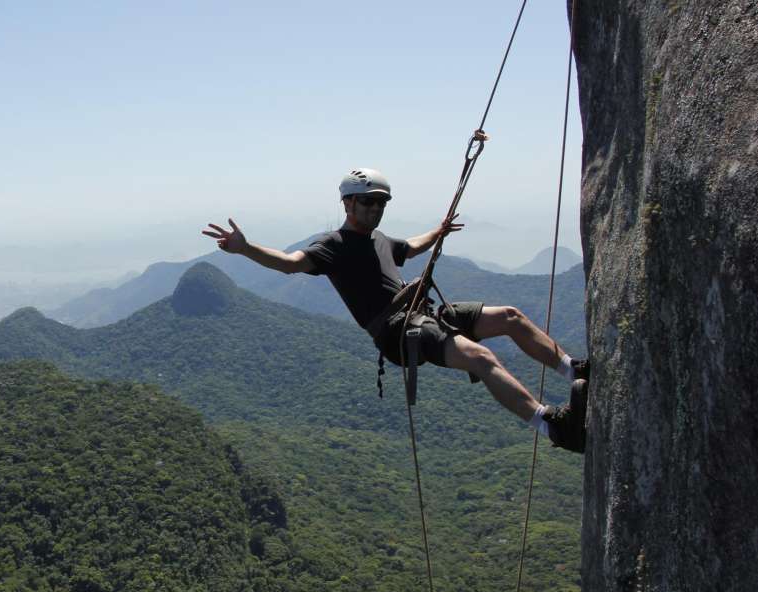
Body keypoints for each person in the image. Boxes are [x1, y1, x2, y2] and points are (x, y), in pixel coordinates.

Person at [202, 167, 588, 453]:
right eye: (368, 201)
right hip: (398, 331)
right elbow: (290, 264)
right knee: (481, 358)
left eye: (381, 202)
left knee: (510, 317)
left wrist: (438, 231)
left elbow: (412, 247)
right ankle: (553, 426)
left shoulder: (380, 240)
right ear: (348, 203)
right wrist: (245, 248)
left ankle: (573, 370)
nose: (375, 208)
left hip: (423, 313)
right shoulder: (333, 246)